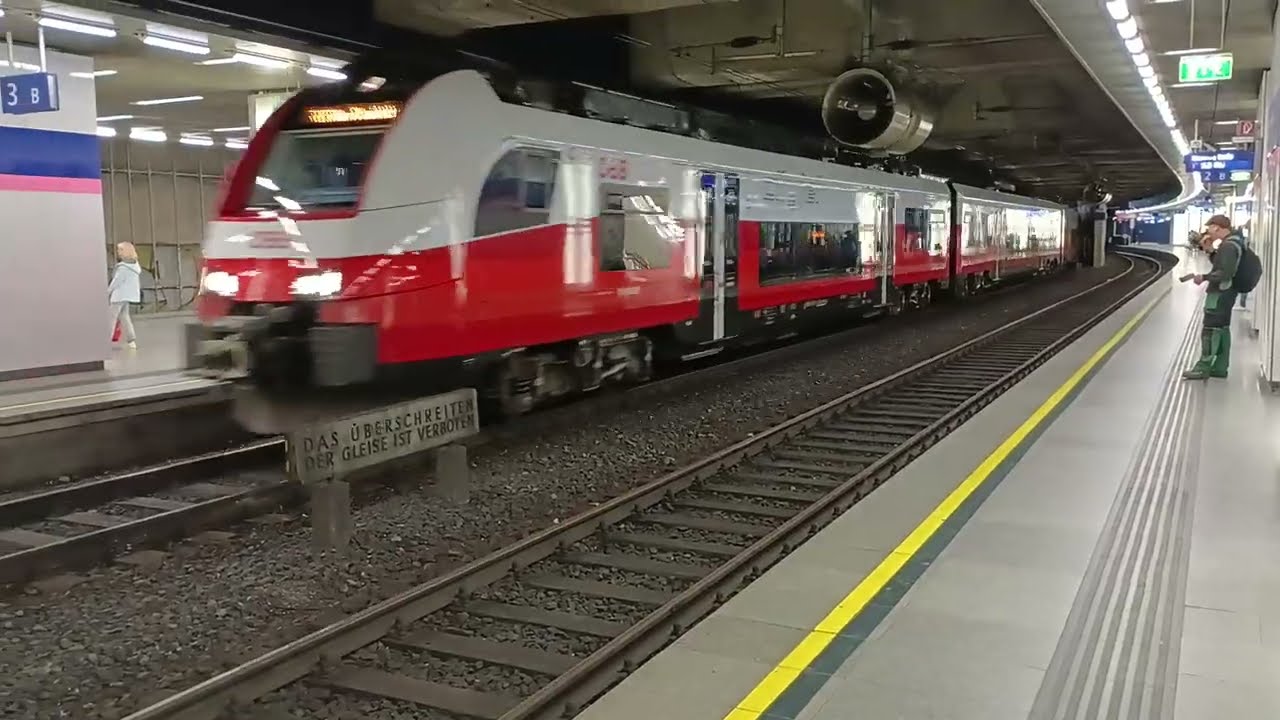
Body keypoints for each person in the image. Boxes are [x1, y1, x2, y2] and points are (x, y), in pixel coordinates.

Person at [1182, 215, 1244, 380]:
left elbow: (1224, 273)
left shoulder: (1228, 246)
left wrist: (1204, 277)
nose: (1208, 231)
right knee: (1222, 328)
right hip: (1227, 292)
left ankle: (1203, 367)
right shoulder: (1233, 243)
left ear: (1217, 227)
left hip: (1220, 293)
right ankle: (1220, 367)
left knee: (1210, 329)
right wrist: (1209, 250)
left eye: (1209, 228)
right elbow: (1222, 264)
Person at [107, 242, 142, 349]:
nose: (118, 252)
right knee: (124, 317)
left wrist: (108, 291)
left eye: (120, 249)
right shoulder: (134, 266)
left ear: (125, 251)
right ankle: (131, 340)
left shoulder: (123, 267)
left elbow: (116, 281)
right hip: (127, 296)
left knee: (111, 318)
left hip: (118, 296)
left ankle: (106, 340)